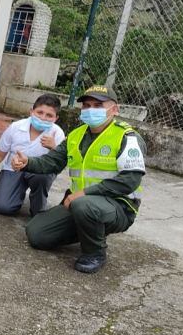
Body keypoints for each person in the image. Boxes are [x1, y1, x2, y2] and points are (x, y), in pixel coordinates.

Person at [12, 85, 147, 274]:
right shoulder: (76, 135)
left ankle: (95, 253)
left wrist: (84, 193)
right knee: (37, 234)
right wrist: (27, 162)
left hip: (119, 206)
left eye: (98, 105)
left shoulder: (126, 137)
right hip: (80, 204)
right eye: (86, 105)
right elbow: (51, 161)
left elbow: (129, 181)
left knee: (84, 206)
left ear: (114, 109)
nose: (90, 110)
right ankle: (88, 227)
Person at [0, 94, 65, 217]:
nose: (43, 118)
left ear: (56, 118)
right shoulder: (16, 127)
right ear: (31, 111)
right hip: (13, 169)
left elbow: (60, 163)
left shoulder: (58, 134)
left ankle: (38, 210)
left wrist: (54, 148)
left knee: (43, 177)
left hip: (39, 173)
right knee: (3, 207)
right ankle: (11, 191)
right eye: (40, 112)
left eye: (49, 115)